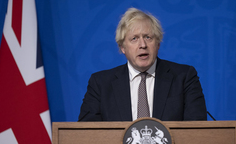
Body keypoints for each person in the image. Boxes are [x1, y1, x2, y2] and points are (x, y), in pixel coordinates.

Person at [78, 8, 207, 122]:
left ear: (158, 44)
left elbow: (196, 130)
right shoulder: (100, 84)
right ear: (122, 47)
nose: (143, 45)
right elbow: (87, 134)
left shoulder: (184, 77)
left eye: (148, 37)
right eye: (134, 38)